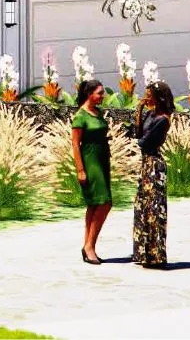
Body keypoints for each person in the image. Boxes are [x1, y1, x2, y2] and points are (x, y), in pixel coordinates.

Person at [132, 80, 175, 268]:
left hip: (154, 166)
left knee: (154, 210)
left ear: (158, 97)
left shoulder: (163, 120)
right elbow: (137, 133)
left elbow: (145, 142)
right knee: (143, 208)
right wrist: (139, 111)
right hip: (145, 165)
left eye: (149, 95)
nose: (146, 97)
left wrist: (140, 139)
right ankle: (143, 253)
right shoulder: (150, 114)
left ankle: (156, 255)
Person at [70, 78, 113, 264]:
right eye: (100, 93)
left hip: (102, 159)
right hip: (90, 160)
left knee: (94, 204)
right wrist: (80, 169)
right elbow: (75, 144)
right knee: (104, 203)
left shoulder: (98, 112)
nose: (103, 96)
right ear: (89, 94)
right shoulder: (81, 116)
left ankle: (87, 246)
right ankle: (90, 246)